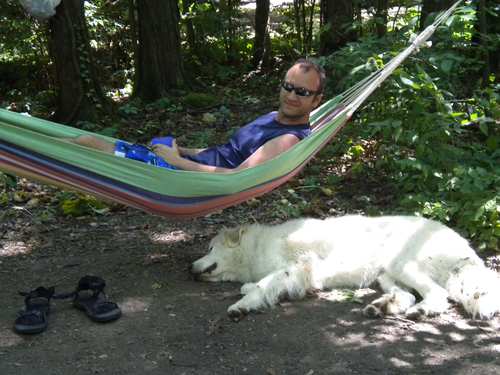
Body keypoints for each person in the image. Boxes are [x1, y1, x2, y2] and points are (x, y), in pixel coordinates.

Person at [70, 59, 325, 173]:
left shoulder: (289, 138)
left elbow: (238, 176)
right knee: (85, 143)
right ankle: (32, 151)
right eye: (288, 86)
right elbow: (228, 152)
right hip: (184, 164)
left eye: (302, 91)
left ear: (316, 100)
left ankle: (32, 154)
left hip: (180, 175)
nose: (291, 96)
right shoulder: (271, 116)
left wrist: (177, 161)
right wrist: (186, 151)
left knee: (85, 144)